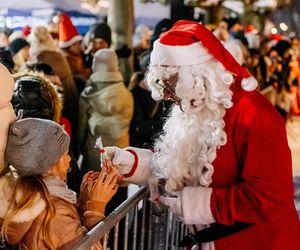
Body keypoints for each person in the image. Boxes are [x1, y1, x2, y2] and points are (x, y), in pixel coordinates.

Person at [105, 20, 300, 250]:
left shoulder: (254, 114)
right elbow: (183, 165)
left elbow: (271, 197)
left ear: (196, 75)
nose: (166, 96)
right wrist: (133, 164)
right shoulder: (195, 107)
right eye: (162, 84)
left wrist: (197, 204)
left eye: (171, 84)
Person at [0, 117, 118, 249]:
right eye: (66, 154)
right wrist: (96, 206)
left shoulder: (28, 198)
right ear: (49, 165)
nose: (69, 160)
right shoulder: (54, 214)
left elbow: (67, 235)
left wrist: (84, 203)